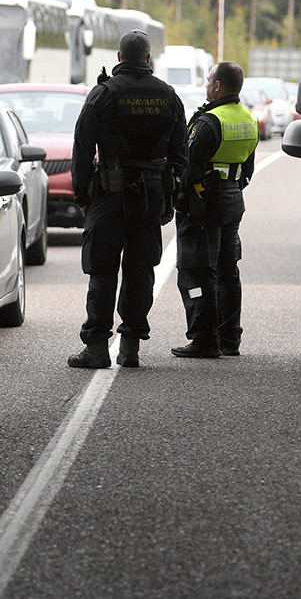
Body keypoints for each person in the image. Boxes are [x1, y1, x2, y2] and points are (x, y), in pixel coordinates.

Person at [67, 30, 188, 369]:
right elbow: (181, 155)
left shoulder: (103, 94)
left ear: (119, 58)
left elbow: (81, 147)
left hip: (108, 194)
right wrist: (169, 198)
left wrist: (82, 195)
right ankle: (130, 347)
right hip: (150, 195)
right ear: (148, 59)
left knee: (102, 271)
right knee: (140, 271)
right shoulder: (169, 97)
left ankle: (96, 348)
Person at [171, 61, 258, 358]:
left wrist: (179, 204)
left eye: (209, 80)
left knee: (197, 271)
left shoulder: (208, 122)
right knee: (227, 270)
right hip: (233, 199)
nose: (207, 85)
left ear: (218, 85)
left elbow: (188, 169)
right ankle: (230, 338)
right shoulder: (248, 119)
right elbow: (248, 169)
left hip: (205, 203)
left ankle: (204, 338)